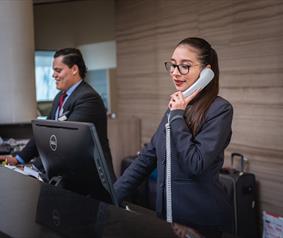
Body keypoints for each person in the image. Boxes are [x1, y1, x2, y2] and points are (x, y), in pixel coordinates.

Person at [114, 37, 233, 238]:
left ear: (207, 72)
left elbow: (195, 163)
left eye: (185, 66)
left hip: (199, 224)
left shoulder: (219, 110)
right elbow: (146, 158)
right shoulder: (176, 108)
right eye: (173, 65)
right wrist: (111, 194)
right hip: (167, 220)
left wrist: (177, 115)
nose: (176, 72)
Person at [0, 48, 115, 181]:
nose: (53, 75)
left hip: (90, 181)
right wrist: (18, 158)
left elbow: (64, 143)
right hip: (68, 176)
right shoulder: (59, 97)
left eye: (58, 70)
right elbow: (44, 134)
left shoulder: (88, 98)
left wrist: (33, 168)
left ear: (74, 70)